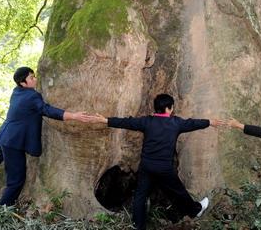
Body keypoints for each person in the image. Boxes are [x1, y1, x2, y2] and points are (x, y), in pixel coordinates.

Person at [90, 94, 225, 230]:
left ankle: (138, 226)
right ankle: (195, 210)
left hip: (147, 166)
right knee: (178, 191)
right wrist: (210, 122)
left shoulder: (147, 121)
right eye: (171, 107)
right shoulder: (176, 123)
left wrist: (106, 120)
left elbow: (127, 122)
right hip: (164, 168)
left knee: (140, 195)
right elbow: (193, 123)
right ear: (168, 108)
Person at [0, 67, 93, 206]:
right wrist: (74, 116)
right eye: (31, 77)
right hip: (13, 142)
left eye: (34, 76)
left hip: (3, 136)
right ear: (23, 83)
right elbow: (47, 110)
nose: (35, 79)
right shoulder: (32, 96)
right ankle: (2, 211)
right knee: (16, 180)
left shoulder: (16, 92)